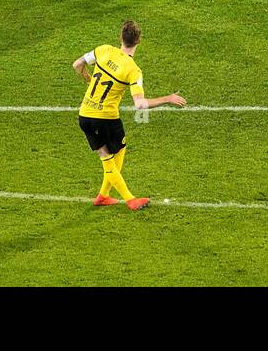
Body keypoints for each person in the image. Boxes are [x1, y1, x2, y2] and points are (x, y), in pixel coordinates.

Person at [73, 20, 186, 210]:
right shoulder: (133, 70)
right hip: (106, 118)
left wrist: (88, 79)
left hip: (85, 114)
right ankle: (130, 199)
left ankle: (103, 195)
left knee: (117, 149)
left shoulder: (104, 50)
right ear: (138, 41)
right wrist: (168, 98)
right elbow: (140, 104)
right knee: (107, 157)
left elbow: (77, 64)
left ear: (120, 37)